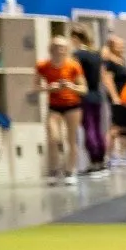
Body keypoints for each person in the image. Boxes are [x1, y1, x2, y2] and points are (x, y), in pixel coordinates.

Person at [36, 35, 86, 185]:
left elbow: (83, 89)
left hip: (72, 105)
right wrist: (49, 88)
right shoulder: (43, 66)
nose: (60, 50)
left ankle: (70, 170)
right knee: (53, 138)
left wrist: (71, 86)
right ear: (51, 48)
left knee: (71, 139)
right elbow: (36, 86)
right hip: (54, 106)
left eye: (63, 47)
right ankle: (53, 169)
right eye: (57, 46)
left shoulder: (73, 66)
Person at [68, 27, 109, 176]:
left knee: (89, 128)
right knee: (98, 129)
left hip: (83, 95)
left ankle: (94, 161)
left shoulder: (78, 55)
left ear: (76, 38)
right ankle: (101, 160)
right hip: (96, 94)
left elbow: (74, 76)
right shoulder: (96, 55)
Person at [101, 35, 126, 167]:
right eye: (119, 45)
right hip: (117, 98)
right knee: (116, 126)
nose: (122, 48)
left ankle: (123, 154)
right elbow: (108, 80)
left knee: (125, 126)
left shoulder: (121, 60)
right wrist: (115, 97)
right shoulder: (109, 61)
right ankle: (108, 155)